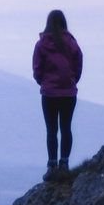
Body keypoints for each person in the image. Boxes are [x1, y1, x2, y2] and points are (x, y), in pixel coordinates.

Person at [32, 9, 82, 180]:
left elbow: (37, 69)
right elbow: (78, 65)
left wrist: (44, 83)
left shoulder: (42, 45)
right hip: (68, 93)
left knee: (51, 130)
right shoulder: (72, 43)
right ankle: (64, 163)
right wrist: (72, 81)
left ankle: (52, 165)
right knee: (66, 127)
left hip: (49, 93)